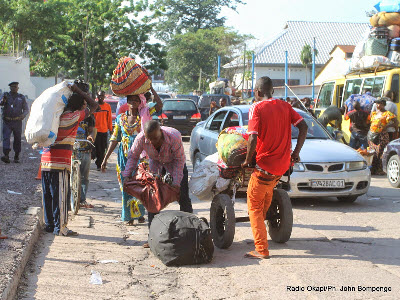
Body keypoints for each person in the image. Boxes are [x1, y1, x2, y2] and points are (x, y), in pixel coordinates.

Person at [241, 76, 308, 259]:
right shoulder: (286, 106)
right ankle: (260, 233)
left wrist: (248, 161)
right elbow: (304, 127)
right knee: (266, 195)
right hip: (282, 166)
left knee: (253, 206)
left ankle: (261, 249)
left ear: (257, 92)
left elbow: (252, 138)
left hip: (265, 166)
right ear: (272, 91)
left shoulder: (256, 107)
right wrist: (295, 153)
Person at [121, 120, 193, 247]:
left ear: (161, 132)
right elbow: (133, 156)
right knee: (152, 200)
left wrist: (176, 183)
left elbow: (179, 161)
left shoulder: (174, 137)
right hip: (156, 164)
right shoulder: (141, 138)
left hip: (174, 164)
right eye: (150, 139)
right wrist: (126, 175)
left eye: (156, 138)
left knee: (183, 197)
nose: (153, 142)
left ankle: (190, 234)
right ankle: (152, 238)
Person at [40, 81, 98, 236]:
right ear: (79, 105)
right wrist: (78, 90)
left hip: (45, 159)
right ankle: (61, 228)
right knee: (60, 195)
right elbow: (94, 106)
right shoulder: (72, 117)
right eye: (82, 104)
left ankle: (50, 225)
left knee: (47, 194)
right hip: (59, 161)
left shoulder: (55, 117)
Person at [101, 88, 163, 225]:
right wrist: (105, 159)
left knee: (141, 184)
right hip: (123, 157)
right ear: (127, 101)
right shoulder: (120, 118)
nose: (133, 102)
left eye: (136, 100)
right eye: (131, 100)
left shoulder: (144, 116)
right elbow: (115, 138)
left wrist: (151, 88)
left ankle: (139, 213)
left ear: (140, 101)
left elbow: (159, 105)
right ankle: (129, 216)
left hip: (141, 156)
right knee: (126, 185)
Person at [0, 82, 29, 164]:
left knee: (17, 139)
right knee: (6, 137)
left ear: (18, 88)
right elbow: (1, 103)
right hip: (7, 121)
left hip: (17, 121)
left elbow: (26, 109)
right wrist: (3, 100)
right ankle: (6, 155)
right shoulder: (5, 95)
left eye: (15, 87)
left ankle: (16, 155)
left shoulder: (21, 97)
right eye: (12, 87)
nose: (14, 88)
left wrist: (23, 115)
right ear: (10, 88)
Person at [368, 98, 398, 175]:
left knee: (380, 153)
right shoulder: (375, 113)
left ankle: (380, 170)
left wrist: (387, 127)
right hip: (372, 136)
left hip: (381, 136)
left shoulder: (387, 114)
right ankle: (373, 169)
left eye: (379, 104)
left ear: (383, 105)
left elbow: (396, 122)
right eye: (376, 104)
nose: (377, 105)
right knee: (373, 153)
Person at [76, 106, 96, 208]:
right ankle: (69, 198)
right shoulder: (70, 115)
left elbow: (92, 130)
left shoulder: (89, 117)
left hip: (85, 150)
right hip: (73, 151)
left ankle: (82, 199)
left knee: (84, 177)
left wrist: (91, 136)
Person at [93, 91, 113, 170]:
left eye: (102, 96)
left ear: (104, 97)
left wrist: (111, 129)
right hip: (96, 131)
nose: (101, 97)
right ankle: (99, 164)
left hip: (104, 130)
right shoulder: (94, 106)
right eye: (99, 96)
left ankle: (101, 162)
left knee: (104, 147)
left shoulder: (107, 106)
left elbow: (109, 119)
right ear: (97, 96)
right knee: (98, 148)